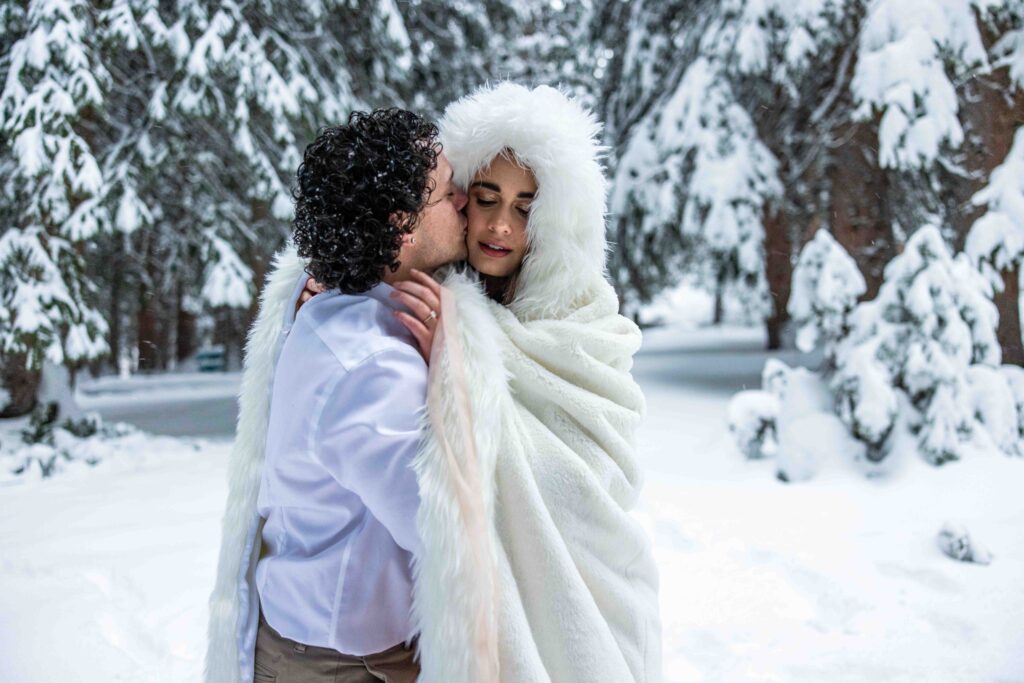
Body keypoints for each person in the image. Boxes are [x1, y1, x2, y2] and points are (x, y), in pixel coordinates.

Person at [298, 83, 663, 682]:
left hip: (595, 578)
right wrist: (338, 280)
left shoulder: (582, 316)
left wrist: (462, 356)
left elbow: (587, 476)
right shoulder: (433, 291)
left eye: (526, 208)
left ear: (557, 219)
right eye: (486, 198)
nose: (498, 225)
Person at [204, 108, 467, 683]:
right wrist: (455, 375)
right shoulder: (370, 366)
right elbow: (439, 525)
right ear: (402, 225)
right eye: (450, 193)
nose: (467, 201)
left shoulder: (334, 307)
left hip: (314, 642)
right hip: (345, 662)